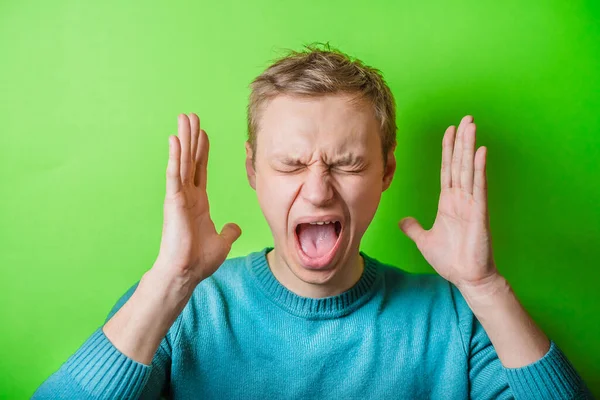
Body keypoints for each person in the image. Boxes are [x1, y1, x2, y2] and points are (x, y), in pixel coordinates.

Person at [33, 45, 593, 399]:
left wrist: (485, 287)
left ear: (386, 172)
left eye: (348, 163)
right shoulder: (180, 308)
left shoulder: (456, 318)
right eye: (291, 164)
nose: (319, 189)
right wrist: (169, 283)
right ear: (254, 170)